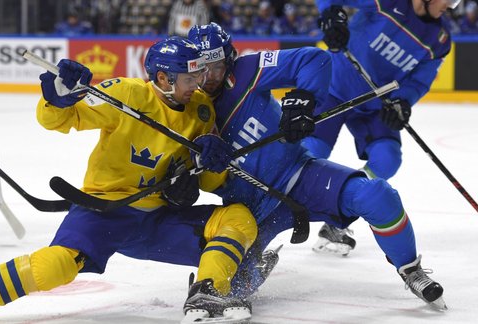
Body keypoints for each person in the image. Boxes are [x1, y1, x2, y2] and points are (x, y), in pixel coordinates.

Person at [0, 36, 257, 324]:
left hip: (158, 219)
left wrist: (209, 162)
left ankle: (208, 290)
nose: (199, 84)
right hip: (106, 212)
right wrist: (58, 99)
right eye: (190, 78)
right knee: (54, 266)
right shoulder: (128, 94)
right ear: (163, 79)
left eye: (199, 76)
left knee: (238, 216)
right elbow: (59, 120)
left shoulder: (201, 109)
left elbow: (211, 183)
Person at [186, 22, 447, 310]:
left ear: (230, 58)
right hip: (248, 210)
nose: (207, 77)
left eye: (216, 66)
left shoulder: (248, 69)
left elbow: (314, 58)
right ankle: (242, 271)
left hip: (300, 174)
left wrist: (303, 101)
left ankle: (411, 270)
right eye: (200, 68)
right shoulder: (185, 109)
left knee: (377, 195)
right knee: (232, 286)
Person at [301, 0, 458, 255]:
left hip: (376, 103)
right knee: (309, 153)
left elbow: (420, 80)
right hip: (335, 87)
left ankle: (339, 210)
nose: (451, 6)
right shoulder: (389, 2)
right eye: (450, 0)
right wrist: (331, 14)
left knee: (388, 159)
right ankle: (271, 217)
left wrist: (402, 102)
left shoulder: (439, 40)